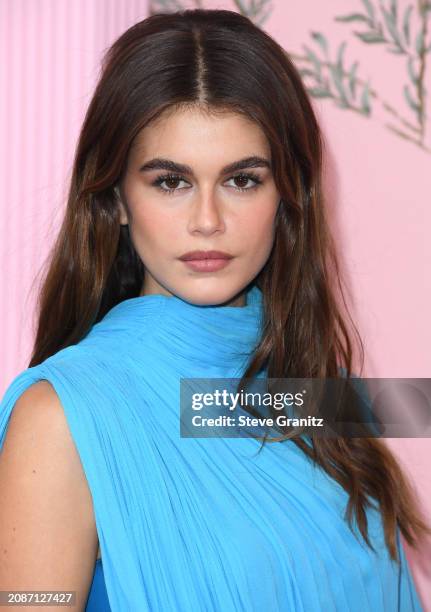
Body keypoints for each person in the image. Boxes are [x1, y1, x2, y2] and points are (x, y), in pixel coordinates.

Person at [0, 8, 429, 611]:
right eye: (171, 181)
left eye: (242, 180)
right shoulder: (62, 416)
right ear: (117, 197)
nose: (208, 221)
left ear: (288, 196)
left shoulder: (318, 394)